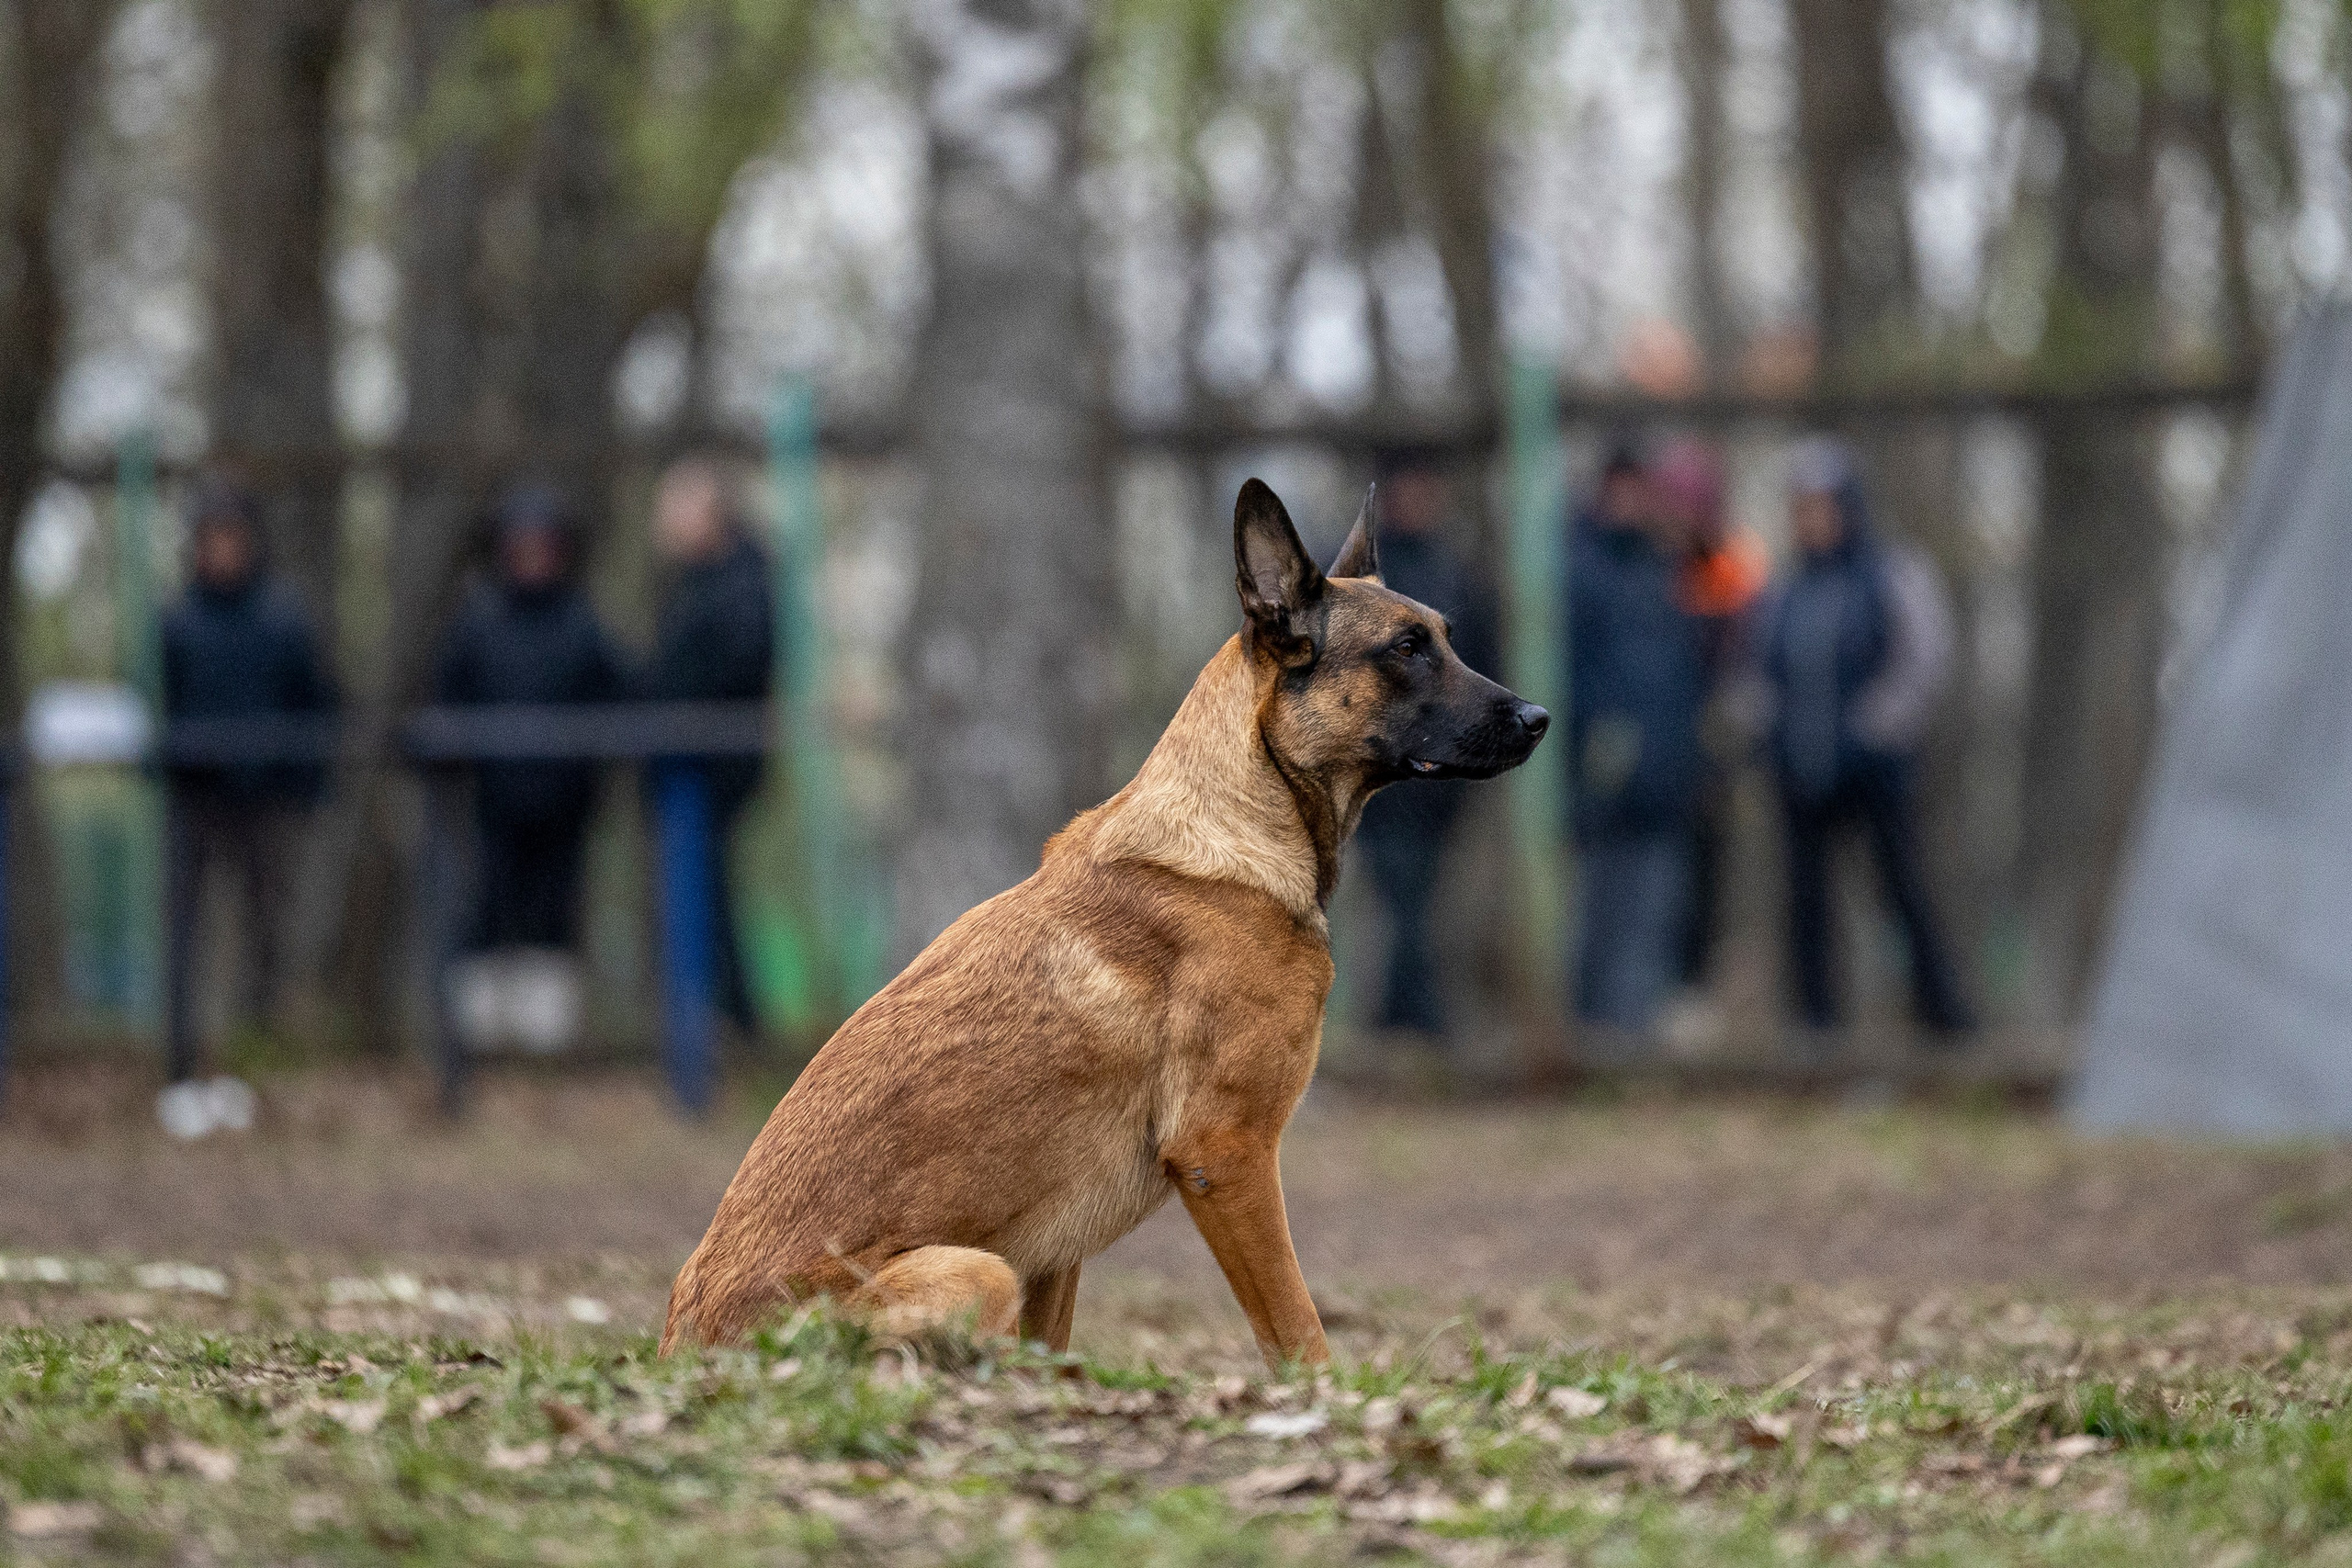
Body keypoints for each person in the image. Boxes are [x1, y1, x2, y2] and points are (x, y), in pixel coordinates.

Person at [1756, 438, 1975, 1039]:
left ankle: (1944, 1020)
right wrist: (1771, 729)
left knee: (1901, 891)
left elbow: (1925, 658)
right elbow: (1761, 672)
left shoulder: (1894, 573)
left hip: (1876, 769)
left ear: (1848, 506)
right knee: (1807, 903)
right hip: (1801, 768)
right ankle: (1816, 1026)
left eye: (1821, 506)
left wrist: (1875, 728)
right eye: (1801, 508)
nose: (1811, 520)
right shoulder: (1784, 590)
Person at [159, 479, 334, 1102]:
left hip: (266, 802)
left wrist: (301, 786)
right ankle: (185, 1062)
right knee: (189, 935)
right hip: (196, 801)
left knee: (266, 932)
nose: (222, 550)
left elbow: (314, 704)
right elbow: (160, 708)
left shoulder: (283, 619)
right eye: (211, 538)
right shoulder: (177, 621)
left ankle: (258, 1059)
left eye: (231, 537)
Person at [434, 486, 627, 972]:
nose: (533, 559)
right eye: (522, 546)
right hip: (493, 796)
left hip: (565, 798)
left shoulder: (581, 623)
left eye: (543, 547)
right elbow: (447, 697)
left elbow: (619, 693)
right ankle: (483, 1008)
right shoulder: (478, 622)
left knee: (553, 911)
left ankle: (548, 1010)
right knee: (489, 906)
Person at [1350, 448, 1502, 1043]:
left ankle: (1404, 1022)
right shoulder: (1360, 586)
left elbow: (1480, 667)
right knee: (1397, 903)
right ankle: (1412, 1021)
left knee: (1423, 903)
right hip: (1378, 780)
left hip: (1439, 786)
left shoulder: (1456, 576)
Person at [1566, 443, 1708, 1051]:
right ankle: (1595, 1040)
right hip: (1599, 785)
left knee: (1653, 916)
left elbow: (1686, 671)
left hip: (1665, 780)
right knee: (1598, 915)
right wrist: (1590, 747)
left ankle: (1632, 1042)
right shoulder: (1576, 567)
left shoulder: (1667, 570)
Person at [645, 456, 776, 1038]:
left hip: (713, 761)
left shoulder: (741, 581)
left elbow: (733, 664)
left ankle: (731, 1020)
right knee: (702, 893)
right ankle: (719, 1018)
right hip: (689, 760)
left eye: (679, 505)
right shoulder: (697, 583)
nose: (667, 519)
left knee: (709, 892)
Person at [1654, 438, 1768, 987]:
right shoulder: (1653, 566)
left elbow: (1752, 652)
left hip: (1715, 735)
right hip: (1662, 736)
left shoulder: (1734, 565)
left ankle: (1698, 975)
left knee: (1709, 859)